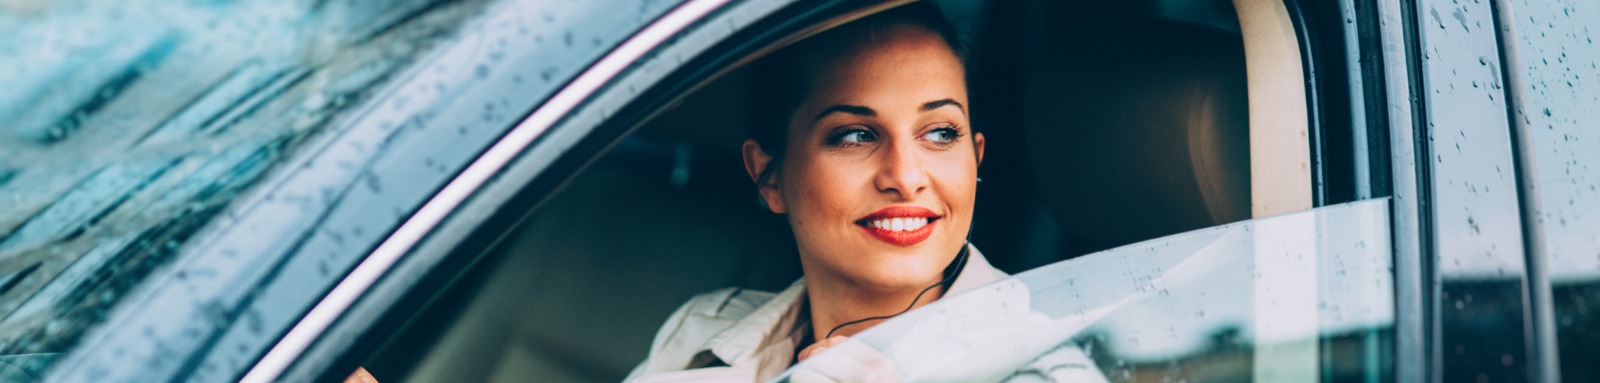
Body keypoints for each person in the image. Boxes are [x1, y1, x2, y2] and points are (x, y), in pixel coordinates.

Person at [624, 3, 1101, 382]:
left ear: (975, 157)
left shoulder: (1048, 369)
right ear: (770, 177)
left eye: (939, 133)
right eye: (854, 135)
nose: (905, 175)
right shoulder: (703, 334)